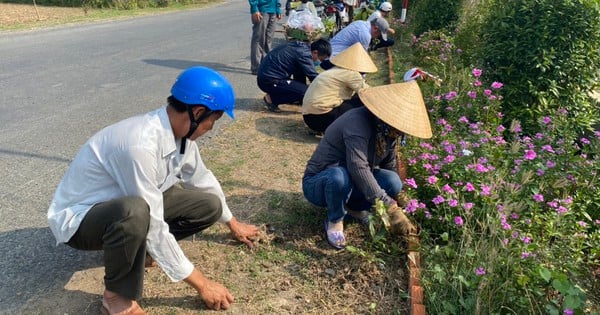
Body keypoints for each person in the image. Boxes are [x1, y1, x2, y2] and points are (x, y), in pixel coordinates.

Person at [47, 67, 260, 314]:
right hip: (82, 218)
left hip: (127, 202)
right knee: (135, 212)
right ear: (198, 112)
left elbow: (201, 178)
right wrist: (203, 284)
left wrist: (232, 223)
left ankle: (135, 249)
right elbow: (154, 222)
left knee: (209, 205)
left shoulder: (181, 137)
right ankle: (116, 296)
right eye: (212, 122)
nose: (209, 129)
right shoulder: (140, 144)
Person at [302, 81, 433, 249]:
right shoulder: (357, 122)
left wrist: (399, 197)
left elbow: (389, 164)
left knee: (393, 181)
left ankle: (351, 208)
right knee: (339, 177)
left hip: (350, 180)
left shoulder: (387, 131)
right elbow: (358, 166)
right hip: (321, 182)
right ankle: (335, 219)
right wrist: (388, 205)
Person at [302, 42, 376, 132]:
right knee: (362, 102)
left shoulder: (335, 70)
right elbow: (369, 93)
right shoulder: (351, 73)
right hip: (322, 117)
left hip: (309, 117)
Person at [258, 38, 331, 112]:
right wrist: (328, 89)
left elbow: (300, 72)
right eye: (320, 59)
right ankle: (271, 99)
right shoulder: (304, 54)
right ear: (315, 52)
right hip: (269, 80)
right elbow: (312, 76)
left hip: (268, 77)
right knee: (307, 93)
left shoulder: (301, 48)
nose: (319, 62)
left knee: (303, 88)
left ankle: (298, 97)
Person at [319, 17, 389, 70]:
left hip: (329, 54)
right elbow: (362, 60)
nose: (377, 37)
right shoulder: (365, 35)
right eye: (379, 34)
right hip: (332, 60)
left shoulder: (360, 23)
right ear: (376, 28)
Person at [249, 0, 282, 75]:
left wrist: (278, 8)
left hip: (272, 10)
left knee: (269, 40)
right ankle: (256, 67)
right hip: (261, 10)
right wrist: (255, 9)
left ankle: (266, 65)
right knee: (259, 39)